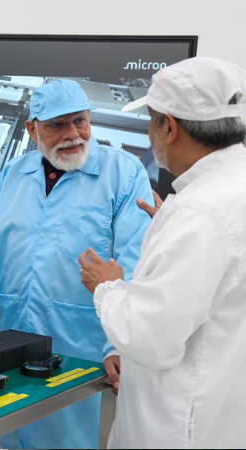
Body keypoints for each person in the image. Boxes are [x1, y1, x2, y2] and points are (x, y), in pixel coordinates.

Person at [0, 79, 154, 449]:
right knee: (13, 436)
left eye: (80, 121)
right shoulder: (12, 176)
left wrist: (117, 345)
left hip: (84, 353)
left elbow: (134, 264)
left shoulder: (123, 174)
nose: (73, 134)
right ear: (31, 129)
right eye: (57, 125)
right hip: (13, 348)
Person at [79, 57, 246, 449]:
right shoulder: (222, 197)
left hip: (180, 429)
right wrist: (171, 230)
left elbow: (152, 337)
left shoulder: (199, 214)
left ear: (169, 127)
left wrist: (108, 288)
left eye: (151, 120)